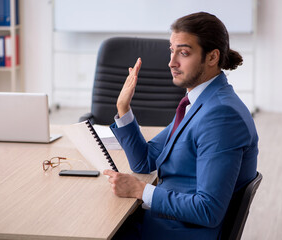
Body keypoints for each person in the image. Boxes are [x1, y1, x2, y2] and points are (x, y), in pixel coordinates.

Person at [103, 12, 258, 240]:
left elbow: (208, 210)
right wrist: (123, 108)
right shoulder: (198, 103)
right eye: (171, 50)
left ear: (212, 57)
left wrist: (140, 190)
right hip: (164, 222)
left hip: (176, 232)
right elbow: (144, 161)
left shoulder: (221, 116)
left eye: (183, 53)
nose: (171, 62)